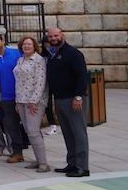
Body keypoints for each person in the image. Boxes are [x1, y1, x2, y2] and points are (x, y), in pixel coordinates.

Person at [44, 27, 90, 177]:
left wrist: (78, 96)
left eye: (56, 35)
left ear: (62, 35)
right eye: (50, 36)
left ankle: (82, 167)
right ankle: (72, 163)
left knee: (78, 133)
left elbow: (82, 76)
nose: (53, 38)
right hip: (59, 99)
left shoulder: (73, 53)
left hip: (73, 99)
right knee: (68, 134)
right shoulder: (53, 54)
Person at [11, 37, 50, 172]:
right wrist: (17, 100)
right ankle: (38, 159)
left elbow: (41, 82)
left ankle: (44, 163)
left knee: (33, 131)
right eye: (24, 44)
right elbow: (18, 82)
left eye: (29, 44)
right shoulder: (20, 60)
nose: (26, 46)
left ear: (34, 46)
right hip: (21, 100)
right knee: (29, 131)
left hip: (34, 101)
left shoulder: (39, 60)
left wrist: (34, 101)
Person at [0, 33, 24, 161]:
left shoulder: (17, 53)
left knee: (30, 127)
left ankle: (39, 156)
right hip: (7, 98)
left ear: (2, 41)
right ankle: (17, 153)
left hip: (23, 96)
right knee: (11, 126)